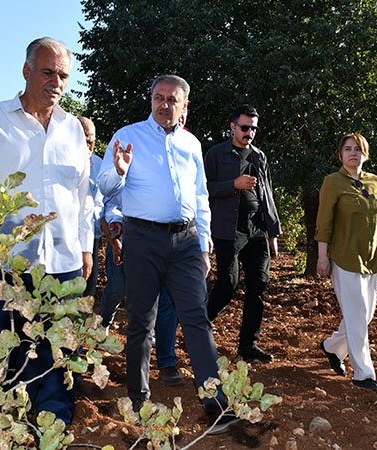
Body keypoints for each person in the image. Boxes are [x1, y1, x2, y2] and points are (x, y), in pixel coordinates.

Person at [0, 37, 93, 425]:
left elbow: (83, 198)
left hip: (62, 260)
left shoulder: (71, 129)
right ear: (27, 71)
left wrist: (84, 249)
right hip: (7, 261)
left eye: (63, 75)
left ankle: (52, 419)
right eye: (48, 72)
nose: (56, 82)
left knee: (57, 345)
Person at [97, 74, 240, 433]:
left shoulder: (192, 143)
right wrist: (118, 171)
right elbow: (105, 188)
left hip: (187, 241)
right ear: (151, 100)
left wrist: (205, 244)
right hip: (142, 238)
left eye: (171, 99)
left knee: (196, 318)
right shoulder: (126, 136)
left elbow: (201, 196)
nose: (164, 104)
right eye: (158, 97)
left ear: (184, 105)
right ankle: (139, 400)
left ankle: (215, 402)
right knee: (142, 320)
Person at [315, 133, 377, 392]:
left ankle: (333, 347)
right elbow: (324, 222)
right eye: (348, 149)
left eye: (358, 150)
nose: (353, 153)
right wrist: (322, 257)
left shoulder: (374, 182)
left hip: (372, 257)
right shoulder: (333, 182)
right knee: (358, 316)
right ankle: (363, 373)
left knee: (364, 315)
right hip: (344, 256)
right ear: (340, 155)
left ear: (365, 155)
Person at [204, 105, 281, 363]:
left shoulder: (259, 156)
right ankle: (200, 323)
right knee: (228, 283)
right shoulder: (216, 154)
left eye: (254, 128)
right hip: (228, 227)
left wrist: (273, 232)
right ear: (233, 126)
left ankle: (249, 345)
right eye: (245, 127)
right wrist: (233, 185)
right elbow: (204, 189)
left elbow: (267, 194)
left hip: (256, 228)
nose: (250, 132)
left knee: (259, 283)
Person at [98, 192, 184, 386]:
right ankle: (104, 323)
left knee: (164, 299)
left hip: (160, 243)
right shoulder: (123, 166)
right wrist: (114, 240)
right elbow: (110, 204)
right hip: (124, 238)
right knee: (118, 289)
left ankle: (167, 363)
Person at [79, 116, 104, 298]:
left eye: (92, 141)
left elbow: (103, 201)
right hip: (67, 239)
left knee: (88, 290)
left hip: (92, 238)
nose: (89, 145)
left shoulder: (100, 165)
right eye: (85, 140)